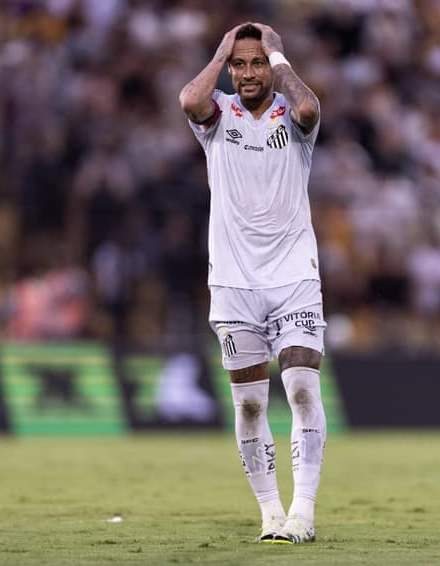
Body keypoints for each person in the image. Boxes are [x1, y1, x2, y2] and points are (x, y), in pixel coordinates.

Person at [179, 22, 327, 544]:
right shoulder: (218, 115)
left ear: (272, 65)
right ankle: (270, 513)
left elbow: (309, 107)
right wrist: (222, 49)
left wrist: (279, 58)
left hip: (294, 274)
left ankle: (303, 512)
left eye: (256, 62)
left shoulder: (294, 114)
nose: (247, 73)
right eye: (239, 64)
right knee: (248, 404)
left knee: (302, 387)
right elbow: (189, 99)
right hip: (234, 281)